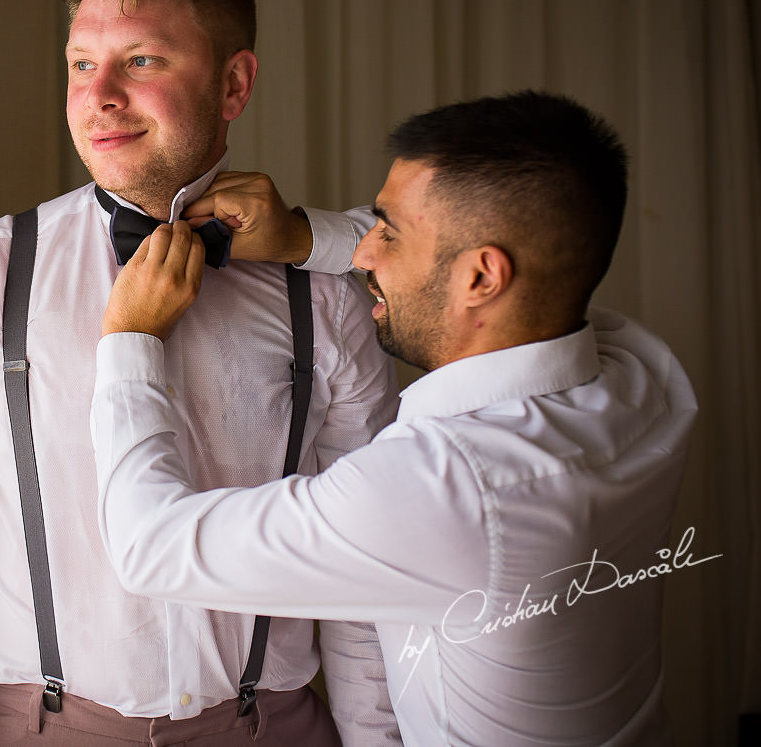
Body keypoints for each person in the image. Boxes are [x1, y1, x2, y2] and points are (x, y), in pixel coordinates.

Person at [0, 0, 402, 745]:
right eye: (82, 63)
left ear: (233, 85)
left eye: (142, 60)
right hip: (33, 728)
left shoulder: (322, 299)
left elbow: (364, 571)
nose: (99, 95)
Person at [91, 90, 700, 746]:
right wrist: (303, 236)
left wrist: (131, 339)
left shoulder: (444, 489)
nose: (365, 255)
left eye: (389, 231)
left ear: (481, 279)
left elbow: (150, 549)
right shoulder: (644, 374)